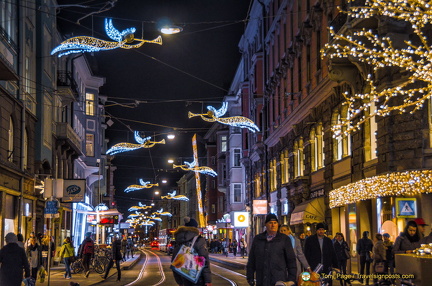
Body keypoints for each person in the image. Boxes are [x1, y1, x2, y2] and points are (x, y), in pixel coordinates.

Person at [246, 213, 297, 286]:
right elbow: (252, 260)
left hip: (279, 281)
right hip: (262, 280)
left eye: (275, 223)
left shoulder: (284, 239)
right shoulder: (258, 239)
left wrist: (291, 279)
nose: (273, 225)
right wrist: (250, 277)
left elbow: (291, 260)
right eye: (270, 223)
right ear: (266, 224)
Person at [171, 217, 212, 286]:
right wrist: (208, 280)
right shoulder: (198, 240)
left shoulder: (178, 239)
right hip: (197, 277)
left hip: (183, 276)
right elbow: (204, 261)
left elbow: (174, 261)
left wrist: (179, 281)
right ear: (195, 228)